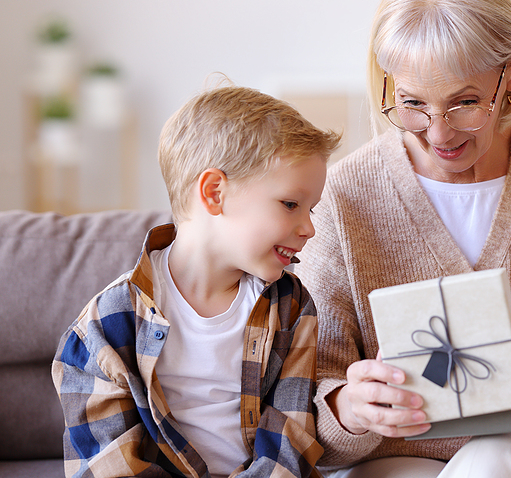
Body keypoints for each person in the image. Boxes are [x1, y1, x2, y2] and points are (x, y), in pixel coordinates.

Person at [295, 0, 511, 478]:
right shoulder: (342, 196)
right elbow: (308, 416)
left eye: (465, 103)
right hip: (397, 460)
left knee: (491, 462)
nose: (439, 134)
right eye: (412, 104)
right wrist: (352, 412)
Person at [52, 85, 341, 478]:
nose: (308, 228)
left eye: (311, 209)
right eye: (291, 204)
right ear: (214, 193)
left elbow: (291, 432)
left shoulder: (290, 306)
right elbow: (107, 461)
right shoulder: (106, 324)